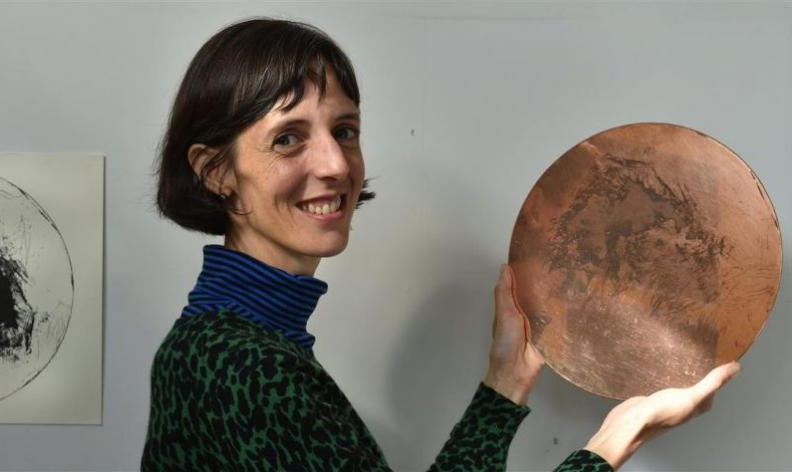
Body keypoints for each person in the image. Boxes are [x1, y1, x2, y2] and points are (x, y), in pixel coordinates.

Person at [143, 18, 741, 471]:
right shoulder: (240, 364)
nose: (334, 163)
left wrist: (507, 380)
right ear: (217, 172)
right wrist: (616, 440)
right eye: (288, 139)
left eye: (344, 131)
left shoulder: (227, 343)